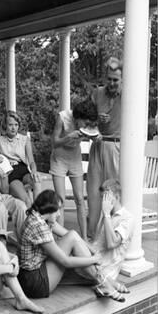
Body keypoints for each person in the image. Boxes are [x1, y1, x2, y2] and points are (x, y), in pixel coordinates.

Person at [18, 189, 128, 303]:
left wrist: (92, 250)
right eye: (57, 211)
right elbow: (66, 261)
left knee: (74, 237)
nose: (59, 214)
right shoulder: (38, 226)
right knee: (81, 259)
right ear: (49, 209)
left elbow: (70, 235)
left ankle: (105, 282)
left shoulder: (39, 217)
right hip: (34, 282)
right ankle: (105, 282)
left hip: (37, 270)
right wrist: (93, 259)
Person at [50, 98, 98, 239]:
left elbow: (93, 134)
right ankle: (61, 239)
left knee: (80, 200)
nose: (87, 125)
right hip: (59, 158)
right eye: (86, 123)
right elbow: (54, 142)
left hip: (75, 158)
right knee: (61, 201)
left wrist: (95, 138)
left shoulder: (88, 123)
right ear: (78, 117)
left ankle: (83, 238)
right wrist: (69, 137)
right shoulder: (62, 117)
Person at [87, 57, 122, 240]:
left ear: (122, 79)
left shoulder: (128, 94)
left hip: (116, 146)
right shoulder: (97, 93)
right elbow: (84, 119)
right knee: (93, 193)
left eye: (115, 79)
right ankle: (92, 237)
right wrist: (95, 121)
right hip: (97, 144)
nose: (112, 83)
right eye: (109, 78)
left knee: (112, 193)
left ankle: (113, 236)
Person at [88, 179, 134, 296]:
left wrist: (107, 215)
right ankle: (113, 284)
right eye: (102, 198)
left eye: (107, 198)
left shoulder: (127, 219)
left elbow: (111, 244)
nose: (103, 202)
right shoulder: (105, 214)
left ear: (117, 197)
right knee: (73, 240)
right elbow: (96, 244)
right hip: (92, 261)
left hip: (104, 269)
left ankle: (108, 283)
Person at [0, 111, 41, 207]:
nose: (13, 128)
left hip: (23, 169)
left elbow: (31, 161)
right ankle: (33, 218)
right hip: (10, 172)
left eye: (16, 124)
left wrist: (34, 171)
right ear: (5, 125)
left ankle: (39, 211)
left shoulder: (24, 139)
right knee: (26, 200)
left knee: (37, 180)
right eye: (10, 125)